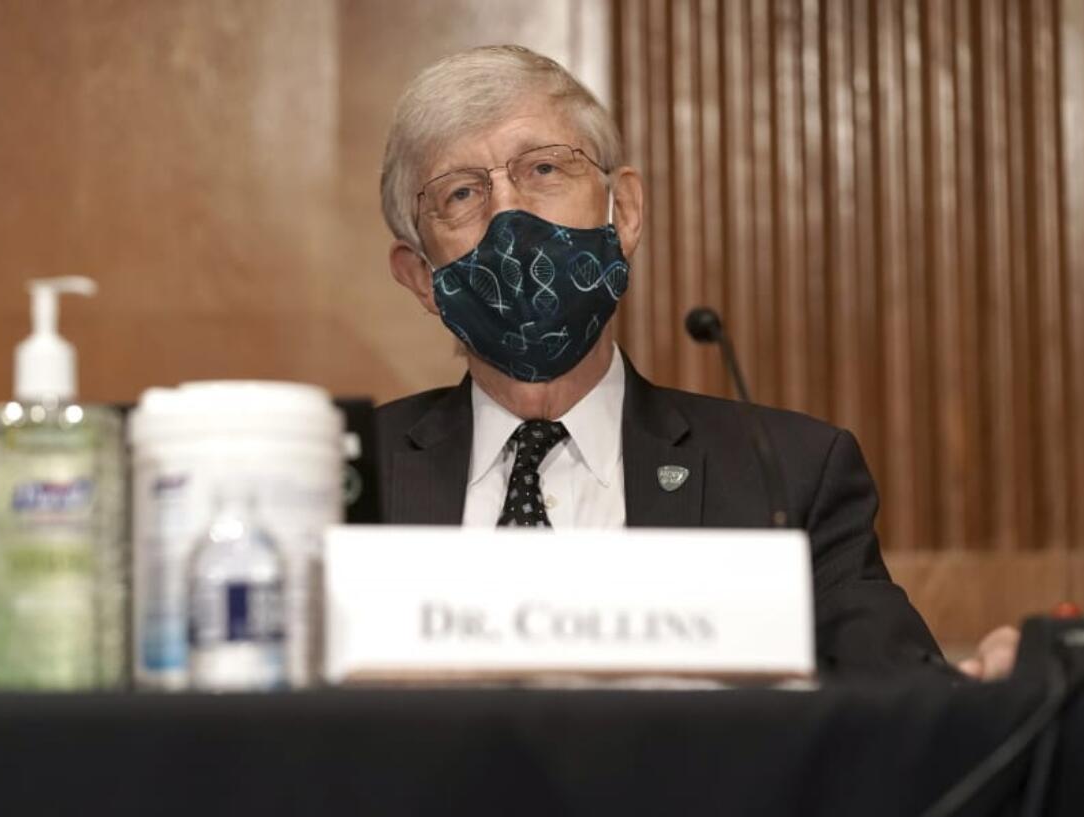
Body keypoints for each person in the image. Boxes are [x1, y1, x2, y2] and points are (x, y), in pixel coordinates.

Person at [374, 44, 1019, 679]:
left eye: (543, 169)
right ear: (421, 279)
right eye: (460, 194)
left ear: (623, 213)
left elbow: (900, 701)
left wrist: (987, 691)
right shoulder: (348, 486)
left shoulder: (786, 477)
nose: (509, 216)